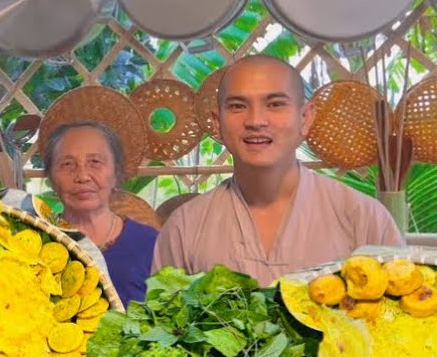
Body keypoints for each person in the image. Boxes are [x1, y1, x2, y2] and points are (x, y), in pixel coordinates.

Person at [155, 55, 403, 284]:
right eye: (238, 106)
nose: (255, 121)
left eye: (275, 104)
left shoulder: (363, 218)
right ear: (218, 123)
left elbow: (401, 317)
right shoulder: (185, 228)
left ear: (305, 118)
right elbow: (160, 322)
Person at [45, 121, 158, 304]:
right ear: (51, 178)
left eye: (95, 162)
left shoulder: (151, 245)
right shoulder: (37, 242)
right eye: (67, 164)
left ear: (116, 173)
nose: (82, 176)